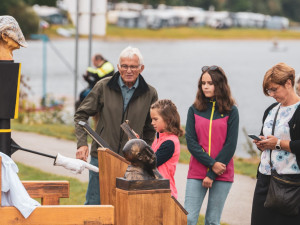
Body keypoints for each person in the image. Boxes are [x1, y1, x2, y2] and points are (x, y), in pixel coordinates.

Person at [74, 46, 158, 205]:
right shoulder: (103, 86)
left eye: (133, 66)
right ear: (118, 67)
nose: (128, 70)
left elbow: (151, 127)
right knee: (94, 204)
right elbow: (81, 115)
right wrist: (82, 144)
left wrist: (143, 149)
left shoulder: (150, 93)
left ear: (141, 68)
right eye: (124, 66)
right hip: (101, 156)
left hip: (131, 162)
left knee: (124, 207)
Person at [184, 65, 239, 225]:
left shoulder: (231, 111)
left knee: (212, 221)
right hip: (197, 171)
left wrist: (213, 173)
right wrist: (211, 164)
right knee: (188, 219)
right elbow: (191, 143)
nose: (206, 86)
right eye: (203, 83)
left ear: (220, 85)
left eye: (210, 83)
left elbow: (230, 144)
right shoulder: (194, 109)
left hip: (222, 172)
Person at [251, 62, 300, 225]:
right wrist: (262, 144)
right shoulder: (271, 109)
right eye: (268, 90)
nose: (271, 94)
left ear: (288, 83)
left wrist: (278, 143)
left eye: (274, 89)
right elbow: (265, 136)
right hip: (265, 178)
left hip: (291, 183)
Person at [150, 99, 183, 199]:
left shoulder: (169, 143)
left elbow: (151, 162)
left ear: (168, 120)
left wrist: (138, 147)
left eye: (155, 119)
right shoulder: (159, 137)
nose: (152, 123)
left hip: (165, 192)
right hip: (156, 189)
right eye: (152, 119)